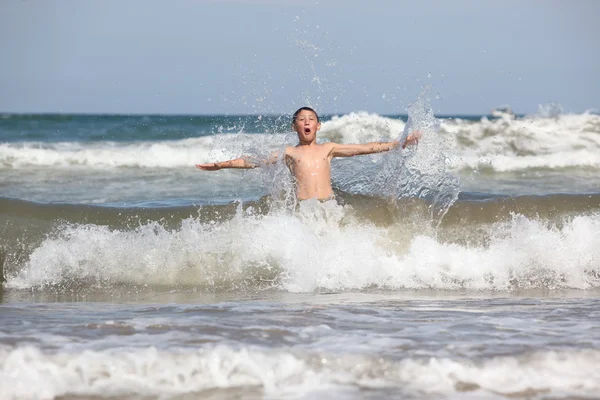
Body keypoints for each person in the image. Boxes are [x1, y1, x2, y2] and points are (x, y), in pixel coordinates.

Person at [196, 107, 420, 201]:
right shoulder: (289, 152)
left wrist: (399, 143)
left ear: (318, 126)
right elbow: (254, 161)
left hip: (329, 206)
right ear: (295, 127)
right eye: (301, 120)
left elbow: (364, 148)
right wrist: (222, 165)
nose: (306, 122)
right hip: (304, 209)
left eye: (311, 119)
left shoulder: (328, 149)